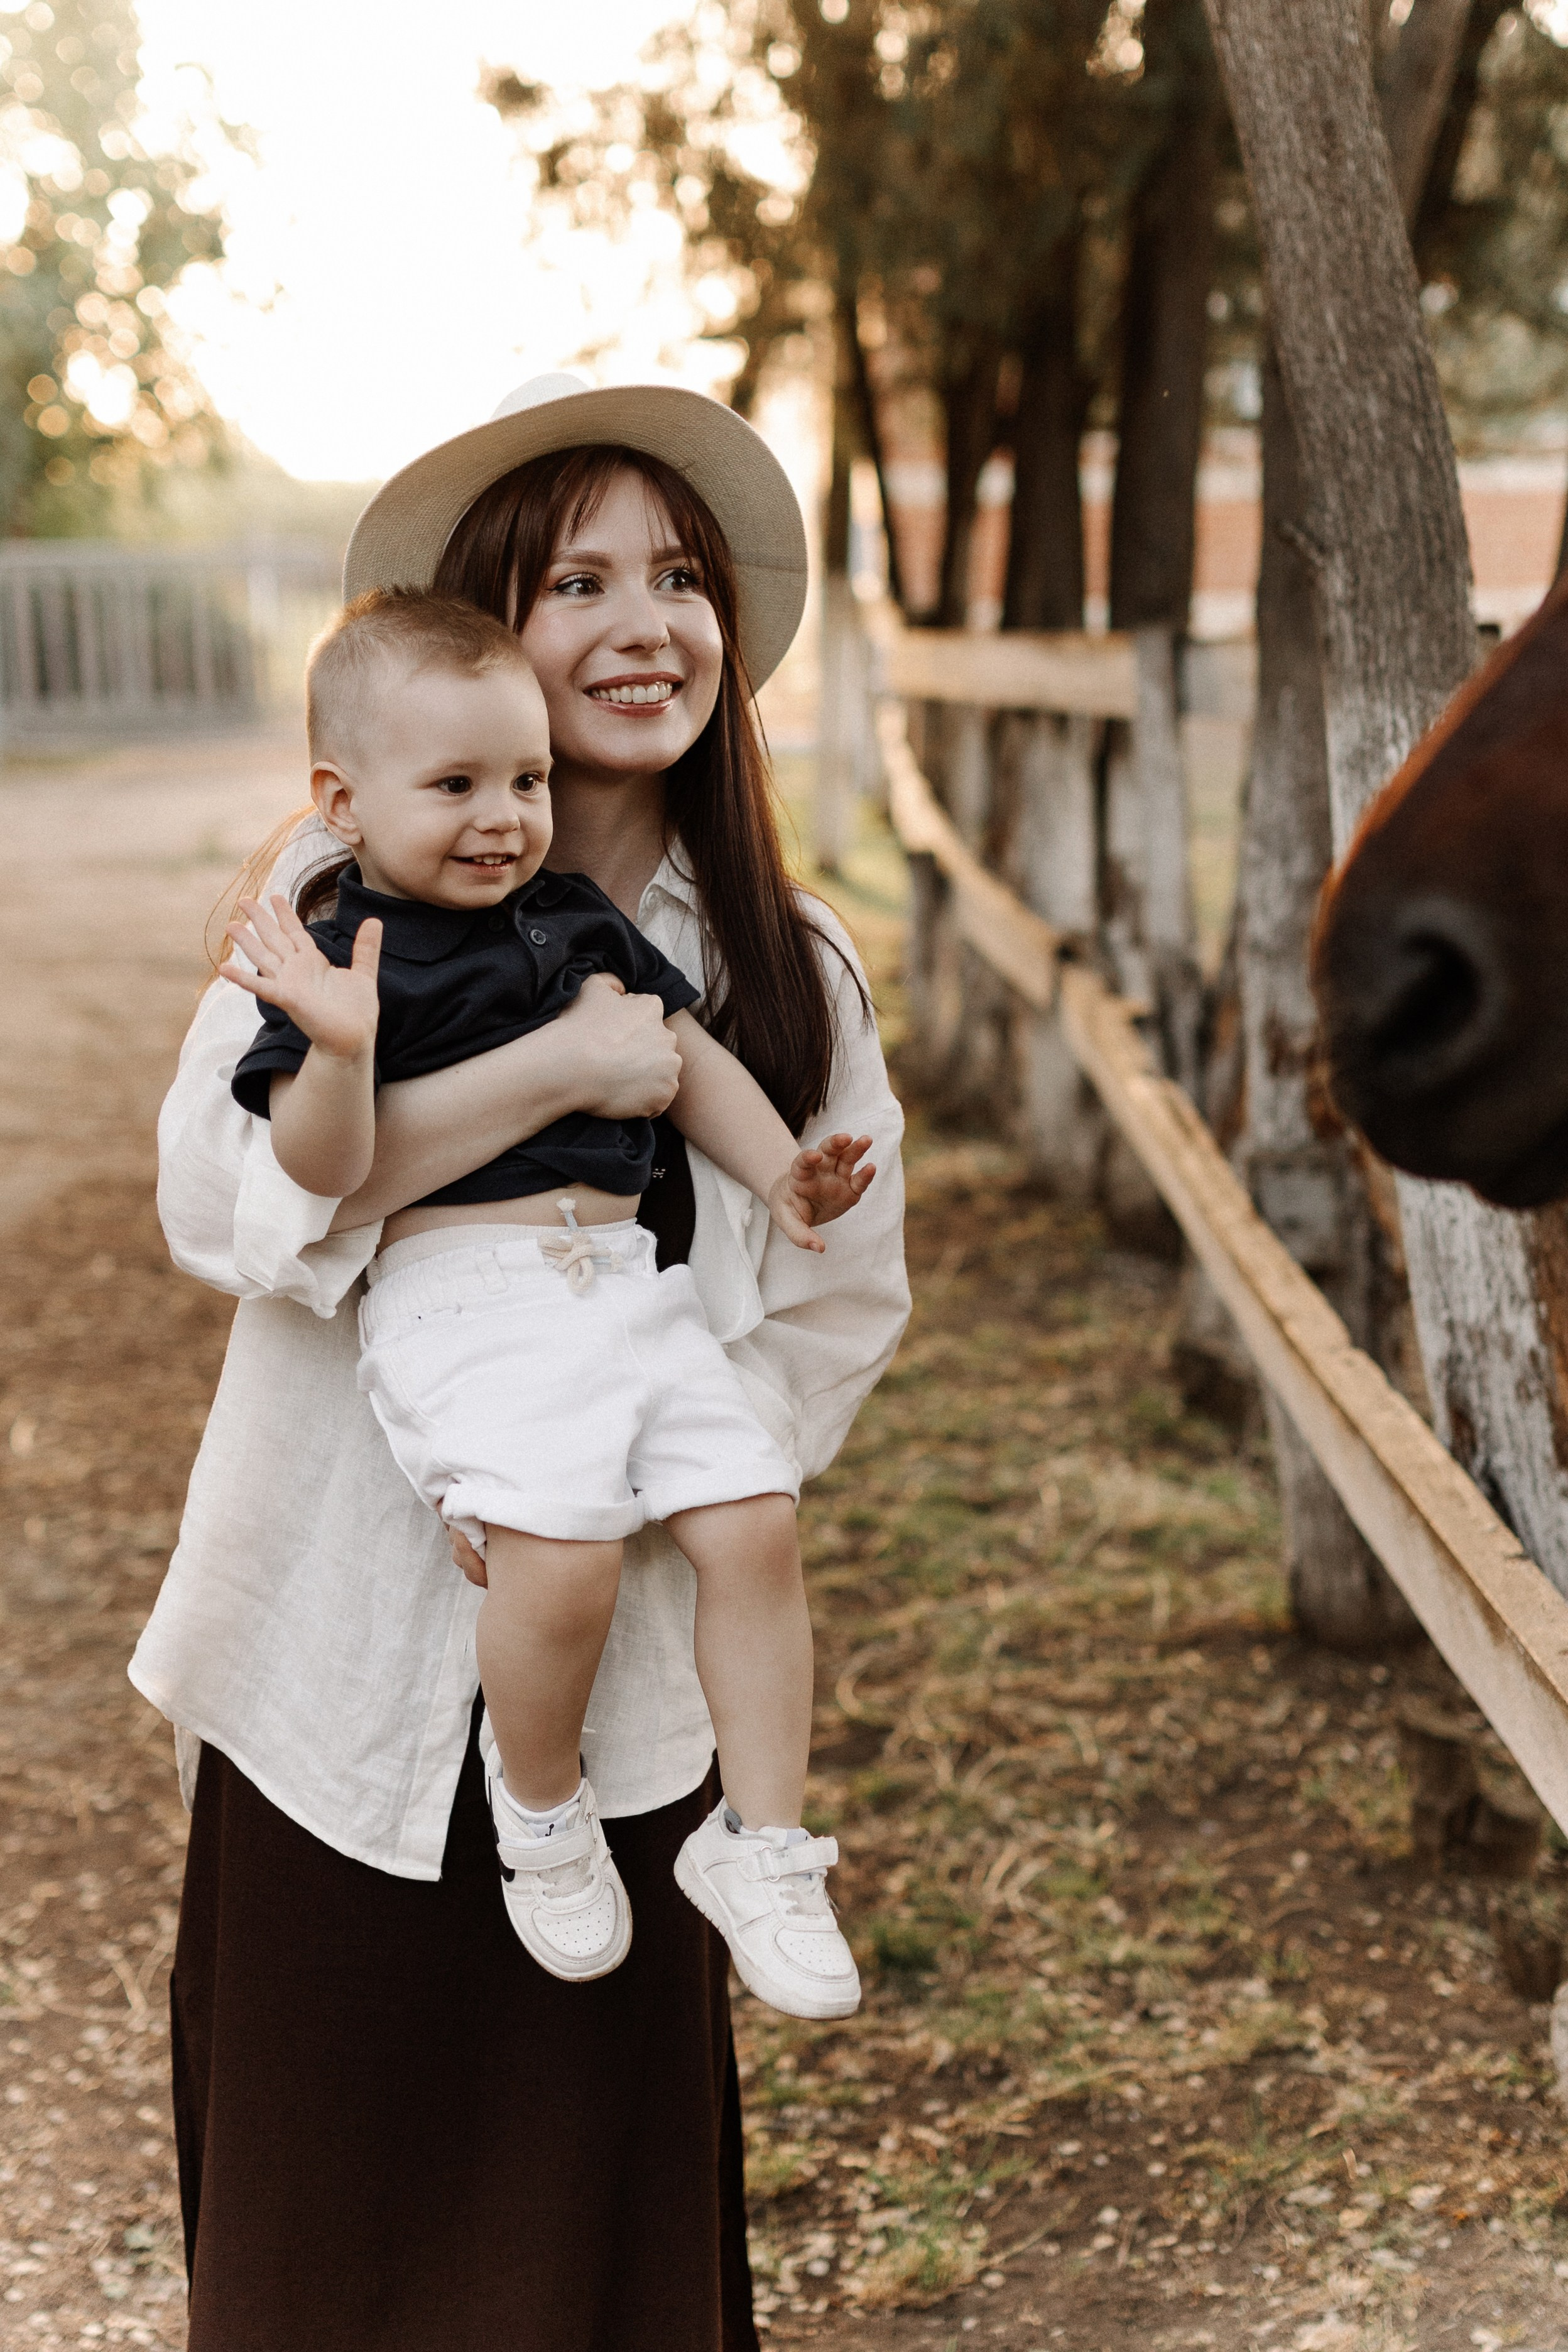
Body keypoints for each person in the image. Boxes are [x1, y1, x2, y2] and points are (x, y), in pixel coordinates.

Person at [133, 371, 909, 2350]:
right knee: (326, 2233)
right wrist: (557, 1075)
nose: (644, 623)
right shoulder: (324, 918)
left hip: (623, 1666)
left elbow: (839, 1301)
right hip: (332, 1665)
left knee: (586, 2249)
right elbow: (229, 1213)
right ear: (489, 623)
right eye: (580, 579)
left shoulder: (780, 961)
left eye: (679, 578)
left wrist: (644, 1481)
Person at [222, 584, 871, 2015]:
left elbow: (677, 1056)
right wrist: (334, 1052)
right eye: (455, 785)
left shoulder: (567, 913)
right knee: (561, 1558)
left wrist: (783, 1179)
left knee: (755, 1521)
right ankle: (543, 1809)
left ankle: (762, 1847)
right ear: (343, 796)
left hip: (626, 1288)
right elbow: (319, 1177)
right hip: (468, 1300)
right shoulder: (330, 950)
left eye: (525, 780)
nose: (504, 815)